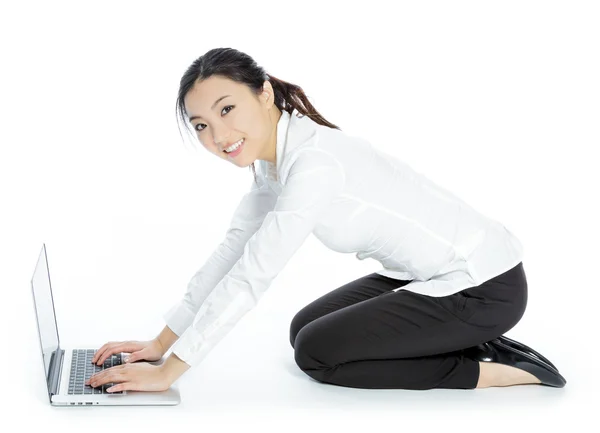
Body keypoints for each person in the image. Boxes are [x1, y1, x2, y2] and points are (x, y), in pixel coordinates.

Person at [86, 47, 566, 393]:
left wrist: (171, 372)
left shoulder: (314, 166)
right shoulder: (274, 167)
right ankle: (465, 340)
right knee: (305, 328)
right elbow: (232, 253)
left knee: (317, 353)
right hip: (432, 276)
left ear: (265, 93)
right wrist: (161, 341)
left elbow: (255, 275)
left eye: (226, 109)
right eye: (202, 126)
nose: (218, 135)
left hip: (484, 287)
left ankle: (490, 368)